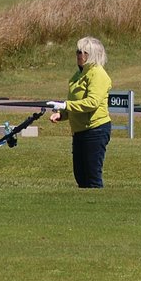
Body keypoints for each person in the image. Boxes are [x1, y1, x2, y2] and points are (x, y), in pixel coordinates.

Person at [47, 36, 113, 188]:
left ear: (93, 55)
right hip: (79, 130)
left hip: (95, 129)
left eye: (83, 52)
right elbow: (75, 101)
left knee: (92, 176)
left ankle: (96, 201)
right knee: (80, 176)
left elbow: (92, 102)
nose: (78, 55)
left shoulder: (98, 74)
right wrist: (62, 114)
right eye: (77, 51)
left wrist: (65, 105)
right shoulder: (78, 75)